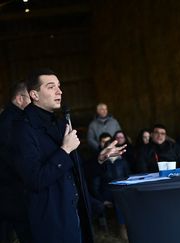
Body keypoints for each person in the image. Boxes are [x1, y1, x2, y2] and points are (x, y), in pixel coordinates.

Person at [11, 68, 126, 243]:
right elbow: (35, 179)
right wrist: (64, 150)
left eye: (59, 86)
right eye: (51, 87)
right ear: (34, 95)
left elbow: (75, 170)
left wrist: (99, 159)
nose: (59, 91)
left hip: (75, 214)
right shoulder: (22, 129)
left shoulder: (60, 123)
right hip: (51, 221)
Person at [0, 81, 32, 243]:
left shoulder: (7, 118)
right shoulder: (14, 122)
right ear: (20, 99)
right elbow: (14, 157)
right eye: (30, 99)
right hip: (13, 190)